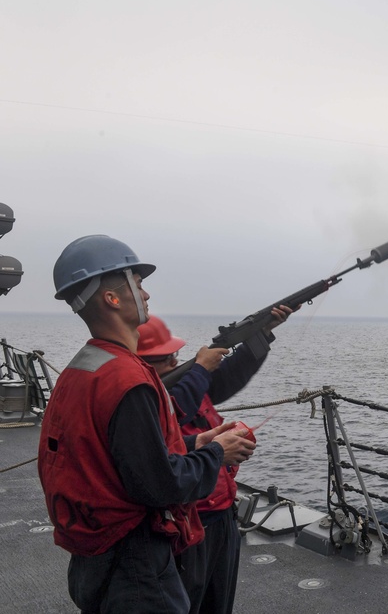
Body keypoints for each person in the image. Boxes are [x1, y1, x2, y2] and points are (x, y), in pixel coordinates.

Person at [37, 235, 257, 614]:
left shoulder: (81, 369)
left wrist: (195, 444)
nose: (147, 294)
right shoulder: (128, 379)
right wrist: (217, 454)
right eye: (138, 284)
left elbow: (115, 456)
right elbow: (159, 486)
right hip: (134, 561)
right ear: (112, 298)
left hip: (95, 552)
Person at [136, 307, 294, 614]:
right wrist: (198, 371)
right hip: (186, 525)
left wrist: (260, 333)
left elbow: (227, 378)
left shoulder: (187, 385)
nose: (174, 361)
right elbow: (164, 444)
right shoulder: (149, 401)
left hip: (222, 516)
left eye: (175, 355)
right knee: (186, 604)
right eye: (164, 358)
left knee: (218, 603)